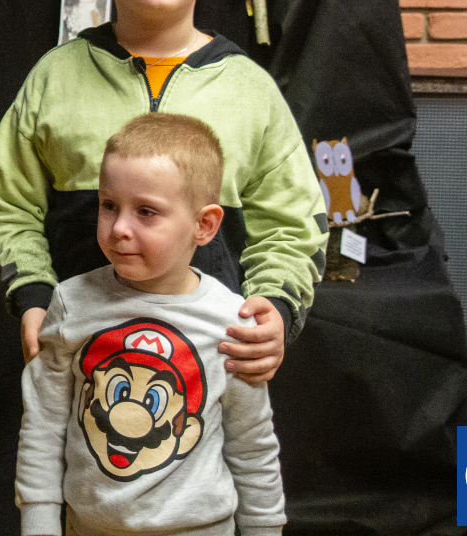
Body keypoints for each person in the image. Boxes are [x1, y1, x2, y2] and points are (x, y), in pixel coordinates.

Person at [0, 0, 326, 382]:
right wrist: (32, 294)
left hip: (212, 370)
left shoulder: (250, 90)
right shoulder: (55, 78)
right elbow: (7, 204)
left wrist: (275, 306)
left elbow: (292, 223)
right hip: (76, 366)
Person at [16, 113, 286, 536]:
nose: (119, 228)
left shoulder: (231, 321)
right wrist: (38, 524)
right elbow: (43, 428)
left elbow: (253, 448)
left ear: (204, 225)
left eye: (146, 211)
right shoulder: (70, 303)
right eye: (109, 205)